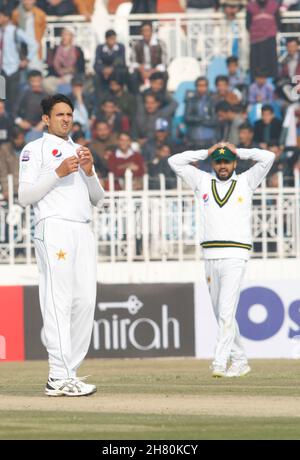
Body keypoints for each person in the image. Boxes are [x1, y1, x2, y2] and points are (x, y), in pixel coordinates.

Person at [18, 94, 105, 396]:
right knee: (58, 301)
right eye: (59, 115)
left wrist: (90, 171)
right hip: (54, 226)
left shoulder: (79, 151)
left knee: (84, 302)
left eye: (69, 114)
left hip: (82, 229)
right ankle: (58, 374)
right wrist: (57, 174)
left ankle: (70, 371)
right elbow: (24, 197)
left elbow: (98, 198)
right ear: (46, 119)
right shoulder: (34, 149)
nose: (66, 119)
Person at [168, 141, 275, 377]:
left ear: (234, 162)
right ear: (213, 163)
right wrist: (205, 152)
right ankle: (240, 360)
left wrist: (241, 151)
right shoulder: (202, 181)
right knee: (220, 313)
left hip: (236, 255)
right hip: (210, 255)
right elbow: (173, 161)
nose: (223, 165)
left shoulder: (246, 180)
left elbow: (268, 157)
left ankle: (219, 361)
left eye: (227, 161)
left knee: (226, 311)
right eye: (218, 161)